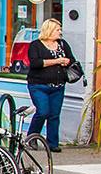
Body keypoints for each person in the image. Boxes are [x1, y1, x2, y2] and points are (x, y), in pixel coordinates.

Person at [25, 18, 75, 152]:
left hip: (58, 85)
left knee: (54, 114)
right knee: (43, 111)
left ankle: (52, 143)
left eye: (60, 29)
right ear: (49, 30)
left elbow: (72, 60)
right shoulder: (36, 45)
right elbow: (35, 63)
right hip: (38, 85)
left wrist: (66, 62)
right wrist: (56, 61)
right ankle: (32, 137)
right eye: (58, 30)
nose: (60, 32)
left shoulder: (62, 44)